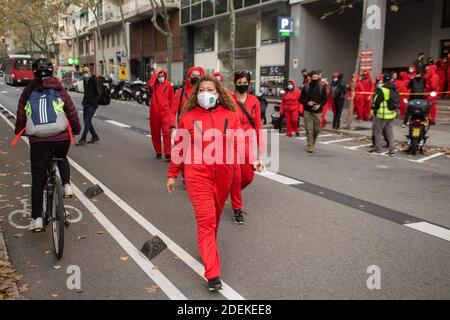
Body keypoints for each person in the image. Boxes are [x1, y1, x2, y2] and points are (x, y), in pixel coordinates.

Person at [166, 76, 264, 291]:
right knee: (207, 220)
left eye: (210, 89)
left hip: (223, 174)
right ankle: (213, 273)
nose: (206, 93)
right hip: (197, 175)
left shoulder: (231, 115)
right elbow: (180, 148)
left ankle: (207, 246)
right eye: (202, 89)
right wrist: (173, 173)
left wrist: (253, 159)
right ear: (196, 93)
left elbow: (240, 140)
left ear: (218, 93)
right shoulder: (188, 116)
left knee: (215, 218)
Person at [14, 58, 81, 232]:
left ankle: (36, 219)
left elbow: (21, 114)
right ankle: (66, 185)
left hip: (38, 141)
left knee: (38, 180)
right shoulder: (59, 88)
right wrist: (76, 128)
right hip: (61, 138)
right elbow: (71, 110)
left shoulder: (28, 91)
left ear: (33, 73)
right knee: (62, 157)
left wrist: (18, 130)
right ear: (51, 72)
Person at [230, 70, 264, 224]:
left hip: (247, 144)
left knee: (248, 177)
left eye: (245, 83)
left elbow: (258, 123)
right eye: (239, 82)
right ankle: (237, 209)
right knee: (236, 176)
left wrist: (261, 144)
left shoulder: (254, 101)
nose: (242, 85)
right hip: (231, 143)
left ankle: (230, 190)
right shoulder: (229, 99)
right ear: (235, 82)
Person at [147, 67, 174, 160]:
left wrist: (170, 112)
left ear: (165, 76)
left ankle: (167, 153)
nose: (160, 77)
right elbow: (149, 85)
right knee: (155, 133)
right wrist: (156, 73)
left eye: (162, 76)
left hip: (165, 113)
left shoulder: (169, 85)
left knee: (167, 133)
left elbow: (172, 100)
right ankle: (158, 151)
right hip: (154, 112)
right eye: (159, 76)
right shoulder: (154, 85)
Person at [368, 73, 398, 157]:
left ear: (383, 80)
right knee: (390, 133)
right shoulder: (394, 88)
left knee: (378, 131)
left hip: (381, 114)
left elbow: (377, 102)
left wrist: (374, 111)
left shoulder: (382, 89)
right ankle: (392, 151)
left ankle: (378, 149)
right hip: (391, 114)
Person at [300, 70, 328, 153]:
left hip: (318, 111)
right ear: (310, 78)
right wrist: (307, 102)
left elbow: (325, 99)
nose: (315, 79)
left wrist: (319, 105)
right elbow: (301, 99)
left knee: (316, 130)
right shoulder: (305, 87)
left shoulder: (322, 87)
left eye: (316, 78)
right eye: (313, 78)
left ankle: (312, 142)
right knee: (309, 129)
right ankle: (310, 145)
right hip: (307, 111)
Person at [76, 67, 100, 146]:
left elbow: (98, 92)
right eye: (83, 72)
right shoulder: (84, 80)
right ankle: (94, 136)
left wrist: (93, 101)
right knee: (86, 120)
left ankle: (83, 139)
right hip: (86, 103)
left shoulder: (94, 79)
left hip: (92, 104)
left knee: (87, 121)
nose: (85, 73)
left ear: (90, 71)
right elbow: (86, 92)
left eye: (86, 71)